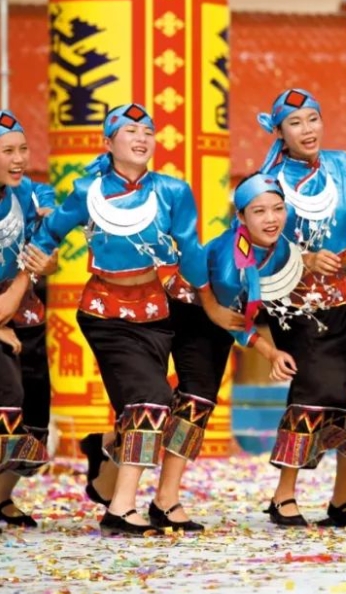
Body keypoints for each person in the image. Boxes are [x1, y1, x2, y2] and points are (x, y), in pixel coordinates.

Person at [21, 103, 232, 536]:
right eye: (130, 131)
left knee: (156, 404)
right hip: (105, 313)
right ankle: (120, 509)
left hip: (156, 310)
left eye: (148, 132)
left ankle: (107, 449)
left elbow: (191, 251)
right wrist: (39, 264)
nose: (141, 138)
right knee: (150, 398)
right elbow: (49, 234)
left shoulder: (173, 191)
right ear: (108, 142)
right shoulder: (87, 190)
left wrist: (209, 303)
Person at [256, 88, 346, 527]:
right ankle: (283, 495)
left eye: (313, 119)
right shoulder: (268, 180)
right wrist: (304, 258)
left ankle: (341, 499)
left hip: (340, 301)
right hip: (293, 304)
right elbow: (251, 243)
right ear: (280, 132)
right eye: (295, 123)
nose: (307, 129)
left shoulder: (342, 165)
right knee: (313, 390)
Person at [0, 111, 56, 531]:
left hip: (27, 316)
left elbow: (50, 249)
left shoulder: (33, 195)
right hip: (7, 311)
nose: (19, 159)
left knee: (35, 415)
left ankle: (2, 497)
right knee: (9, 400)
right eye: (7, 152)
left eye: (22, 149)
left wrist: (45, 261)